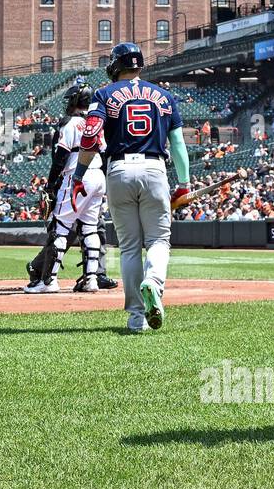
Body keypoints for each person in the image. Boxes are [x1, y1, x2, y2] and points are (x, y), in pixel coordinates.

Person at [72, 43, 190, 333]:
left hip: (119, 169)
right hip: (154, 169)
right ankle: (154, 283)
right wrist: (184, 183)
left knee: (129, 248)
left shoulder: (104, 94)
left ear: (116, 65)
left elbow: (89, 139)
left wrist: (78, 175)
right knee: (159, 241)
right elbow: (177, 144)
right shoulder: (164, 95)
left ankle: (137, 317)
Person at [25, 85, 105, 293]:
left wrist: (51, 184)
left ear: (75, 101)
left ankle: (48, 282)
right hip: (98, 175)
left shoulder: (69, 123)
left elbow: (60, 157)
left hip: (77, 175)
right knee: (89, 228)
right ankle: (91, 280)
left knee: (59, 228)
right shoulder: (96, 122)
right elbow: (104, 153)